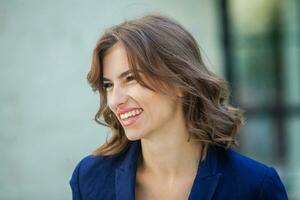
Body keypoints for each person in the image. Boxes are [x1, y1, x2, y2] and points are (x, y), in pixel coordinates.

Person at [69, 14, 288, 200]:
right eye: (108, 85)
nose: (115, 100)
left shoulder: (255, 186)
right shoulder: (89, 178)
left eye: (131, 78)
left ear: (179, 82)